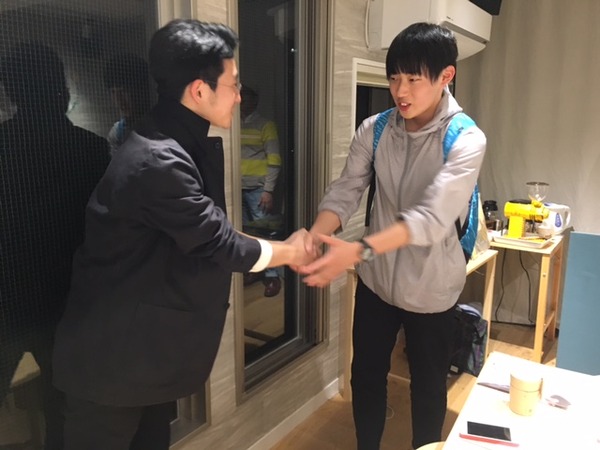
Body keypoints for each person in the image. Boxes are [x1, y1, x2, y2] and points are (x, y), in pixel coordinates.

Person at [51, 19, 313, 450]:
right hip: (113, 358)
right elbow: (216, 241)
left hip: (145, 352)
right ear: (199, 91)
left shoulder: (174, 141)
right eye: (233, 84)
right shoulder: (158, 159)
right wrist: (291, 251)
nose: (239, 95)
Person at [300, 23, 486, 449]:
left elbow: (432, 218)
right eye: (394, 77)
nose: (400, 91)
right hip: (377, 282)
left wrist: (358, 250)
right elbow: (346, 190)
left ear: (446, 76)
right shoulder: (376, 129)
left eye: (414, 79)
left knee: (428, 385)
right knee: (365, 374)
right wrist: (314, 237)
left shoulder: (465, 138)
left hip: (432, 289)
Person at [0, 42, 109, 450]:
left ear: (11, 92)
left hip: (7, 298)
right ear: (61, 90)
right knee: (62, 404)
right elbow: (103, 232)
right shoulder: (90, 149)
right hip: (66, 299)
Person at [240, 85, 283, 297]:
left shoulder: (265, 125)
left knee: (265, 232)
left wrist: (268, 190)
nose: (243, 102)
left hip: (258, 189)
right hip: (237, 188)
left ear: (255, 101)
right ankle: (254, 270)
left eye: (247, 98)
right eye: (241, 98)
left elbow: (274, 160)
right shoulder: (233, 124)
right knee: (246, 234)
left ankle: (272, 275)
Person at [102, 53, 152, 156]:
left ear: (140, 89)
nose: (119, 99)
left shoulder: (163, 126)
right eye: (113, 92)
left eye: (123, 91)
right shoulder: (117, 132)